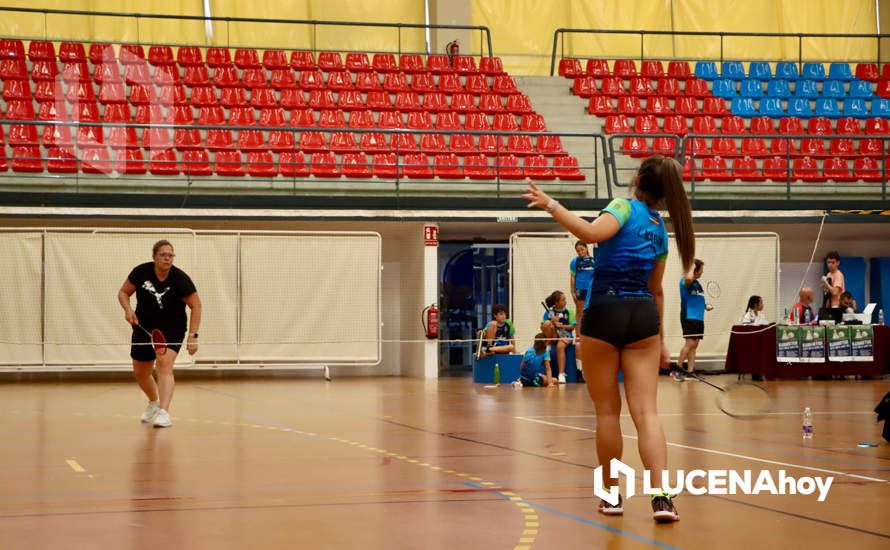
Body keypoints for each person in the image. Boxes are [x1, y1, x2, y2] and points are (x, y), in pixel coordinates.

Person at [523, 154, 694, 523]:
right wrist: (662, 341)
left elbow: (590, 233)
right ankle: (661, 498)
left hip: (604, 312)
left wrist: (551, 204)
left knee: (607, 412)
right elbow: (657, 290)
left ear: (636, 180)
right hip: (644, 319)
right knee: (647, 413)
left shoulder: (623, 207)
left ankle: (611, 495)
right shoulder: (659, 228)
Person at [117, 240, 201, 428]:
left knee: (164, 365)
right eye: (163, 254)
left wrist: (193, 336)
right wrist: (128, 309)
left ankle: (164, 412)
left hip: (172, 328)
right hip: (144, 327)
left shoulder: (180, 279)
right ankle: (154, 402)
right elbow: (123, 292)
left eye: (170, 255)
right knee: (141, 373)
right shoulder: (141, 272)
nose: (167, 258)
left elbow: (196, 305)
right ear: (154, 256)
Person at [677, 259, 712, 375]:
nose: (702, 272)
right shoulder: (686, 281)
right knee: (690, 343)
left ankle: (690, 372)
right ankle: (677, 370)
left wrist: (706, 305)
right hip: (689, 316)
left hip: (698, 318)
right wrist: (691, 267)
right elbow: (688, 279)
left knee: (694, 345)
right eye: (701, 269)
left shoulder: (697, 284)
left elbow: (696, 300)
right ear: (695, 270)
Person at [541, 290, 576, 384]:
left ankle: (561, 374)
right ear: (556, 302)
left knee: (560, 347)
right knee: (547, 323)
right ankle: (547, 345)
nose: (565, 301)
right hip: (553, 335)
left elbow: (572, 327)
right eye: (563, 300)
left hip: (566, 335)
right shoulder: (549, 312)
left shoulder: (569, 311)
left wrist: (562, 326)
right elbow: (542, 327)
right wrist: (552, 322)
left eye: (565, 299)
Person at [570, 240, 595, 333]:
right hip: (580, 289)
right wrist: (572, 291)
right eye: (578, 251)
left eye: (582, 249)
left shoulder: (593, 260)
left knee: (591, 311)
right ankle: (578, 335)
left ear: (586, 248)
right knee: (580, 312)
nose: (580, 252)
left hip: (591, 289)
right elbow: (572, 277)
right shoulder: (574, 262)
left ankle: (591, 333)